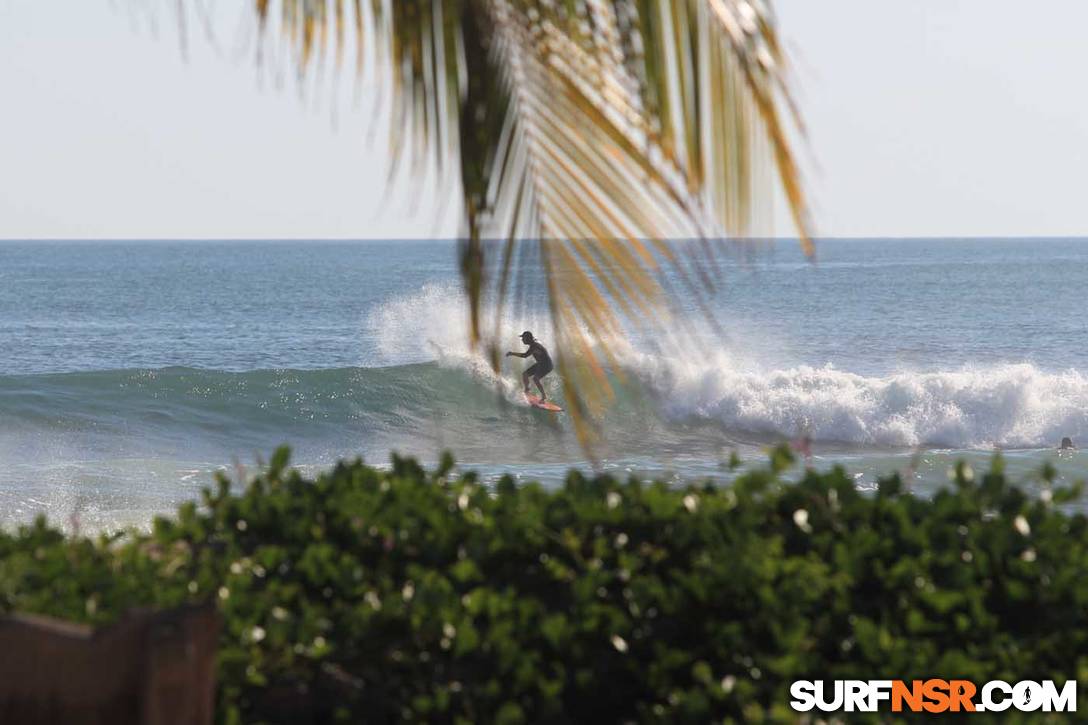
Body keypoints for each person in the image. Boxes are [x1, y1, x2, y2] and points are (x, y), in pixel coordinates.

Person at [506, 330, 553, 401]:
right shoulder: (533, 344)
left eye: (523, 338)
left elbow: (525, 355)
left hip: (547, 365)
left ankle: (544, 396)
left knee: (535, 379)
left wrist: (512, 353)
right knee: (525, 374)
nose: (522, 340)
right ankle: (527, 390)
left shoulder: (534, 347)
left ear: (527, 339)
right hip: (540, 364)